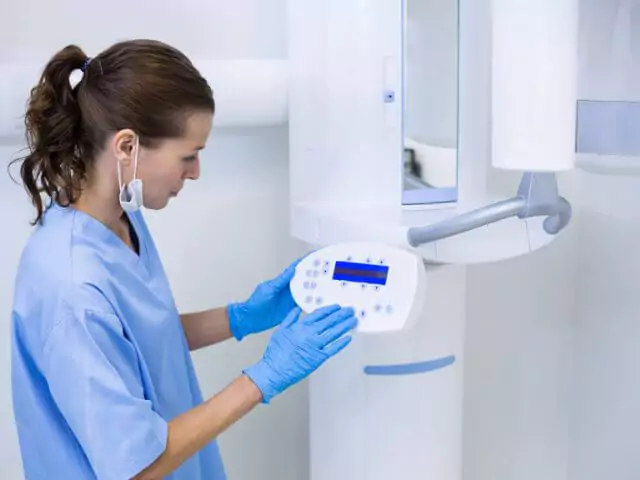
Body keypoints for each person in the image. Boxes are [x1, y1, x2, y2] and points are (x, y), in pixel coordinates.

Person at [9, 39, 357, 480]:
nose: (195, 173)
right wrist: (263, 378)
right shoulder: (71, 288)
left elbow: (138, 340)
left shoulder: (119, 217)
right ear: (127, 147)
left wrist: (242, 317)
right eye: (188, 156)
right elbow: (136, 466)